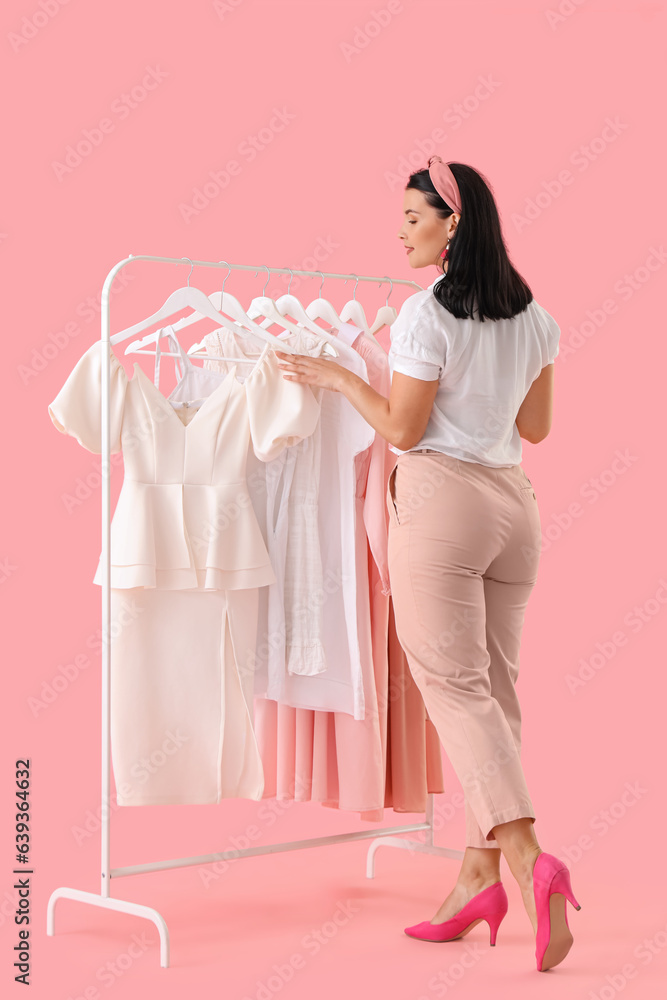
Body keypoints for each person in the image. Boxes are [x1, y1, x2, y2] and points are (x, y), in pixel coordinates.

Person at [275, 156, 581, 973]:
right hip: (513, 506)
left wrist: (341, 376)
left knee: (453, 688)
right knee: (491, 691)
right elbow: (538, 426)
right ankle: (474, 879)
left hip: (443, 503)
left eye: (413, 217)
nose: (401, 230)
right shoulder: (536, 317)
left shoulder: (422, 315)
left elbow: (403, 431)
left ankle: (527, 861)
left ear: (452, 224)